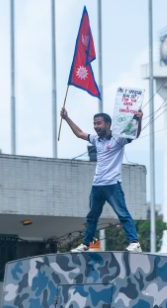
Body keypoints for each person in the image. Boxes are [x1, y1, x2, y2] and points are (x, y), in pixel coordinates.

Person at [61, 108, 144, 253]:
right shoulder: (96, 140)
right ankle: (86, 243)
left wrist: (139, 119)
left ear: (108, 124)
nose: (96, 126)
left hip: (112, 185)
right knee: (92, 216)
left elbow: (134, 135)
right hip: (97, 185)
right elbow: (80, 133)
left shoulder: (118, 139)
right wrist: (66, 118)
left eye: (99, 123)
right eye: (94, 123)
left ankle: (134, 243)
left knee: (122, 213)